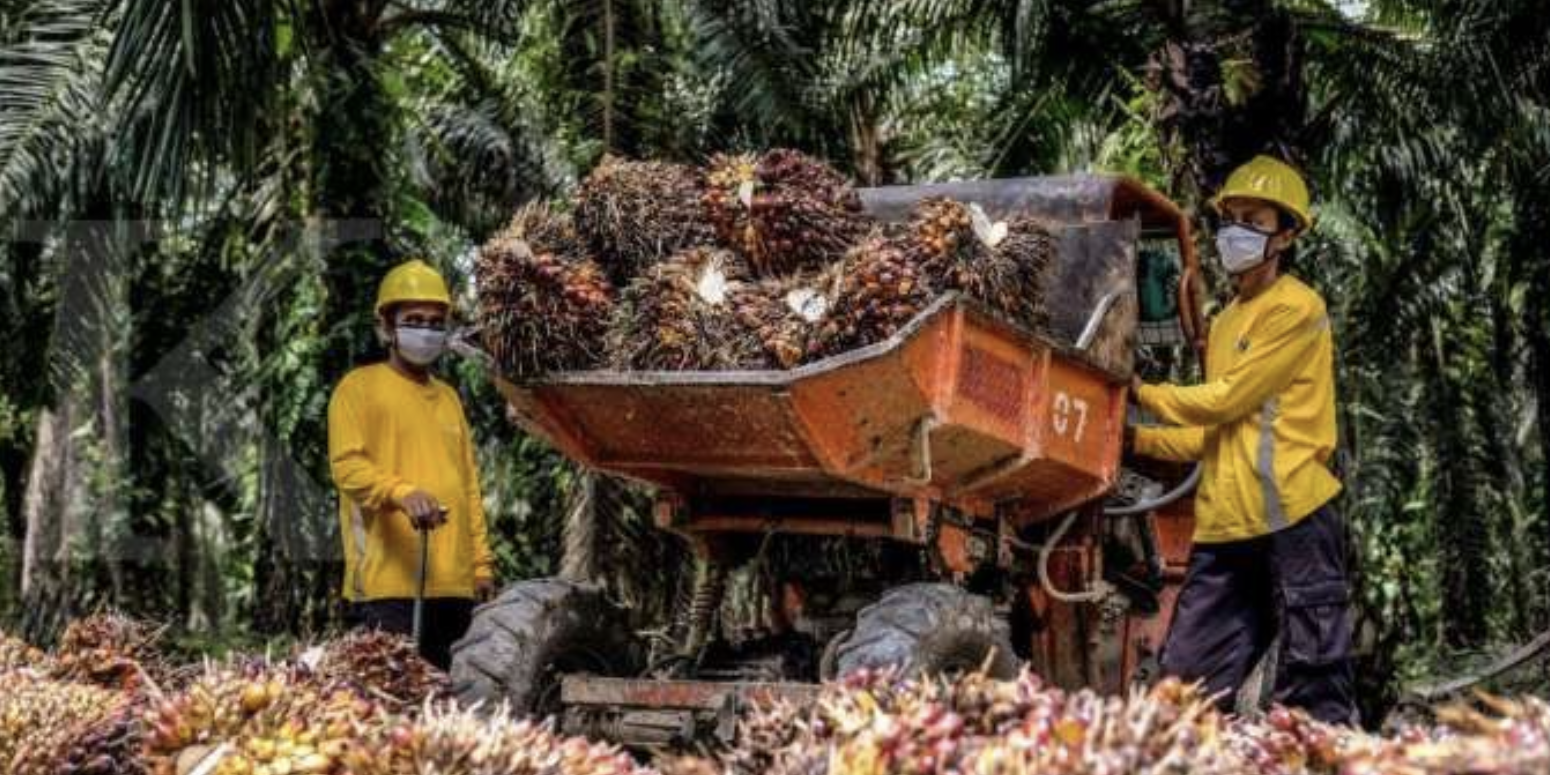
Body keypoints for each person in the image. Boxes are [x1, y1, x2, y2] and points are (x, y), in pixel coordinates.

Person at [1129, 156, 1355, 724]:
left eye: (1252, 218)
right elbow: (1214, 431)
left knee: (1313, 686)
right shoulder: (1225, 321)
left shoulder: (1298, 309)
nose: (1236, 230)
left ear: (1284, 235)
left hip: (1293, 519)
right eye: (1230, 217)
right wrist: (1134, 441)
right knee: (1183, 696)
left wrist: (1143, 393)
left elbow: (1228, 398)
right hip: (1226, 526)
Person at [327, 259, 496, 669]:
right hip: (388, 587)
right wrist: (403, 494)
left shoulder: (449, 399)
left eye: (436, 322)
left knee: (448, 710)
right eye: (414, 319)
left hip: (453, 588)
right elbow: (347, 468)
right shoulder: (359, 388)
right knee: (390, 706)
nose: (426, 330)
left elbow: (467, 485)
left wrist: (480, 565)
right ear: (388, 325)